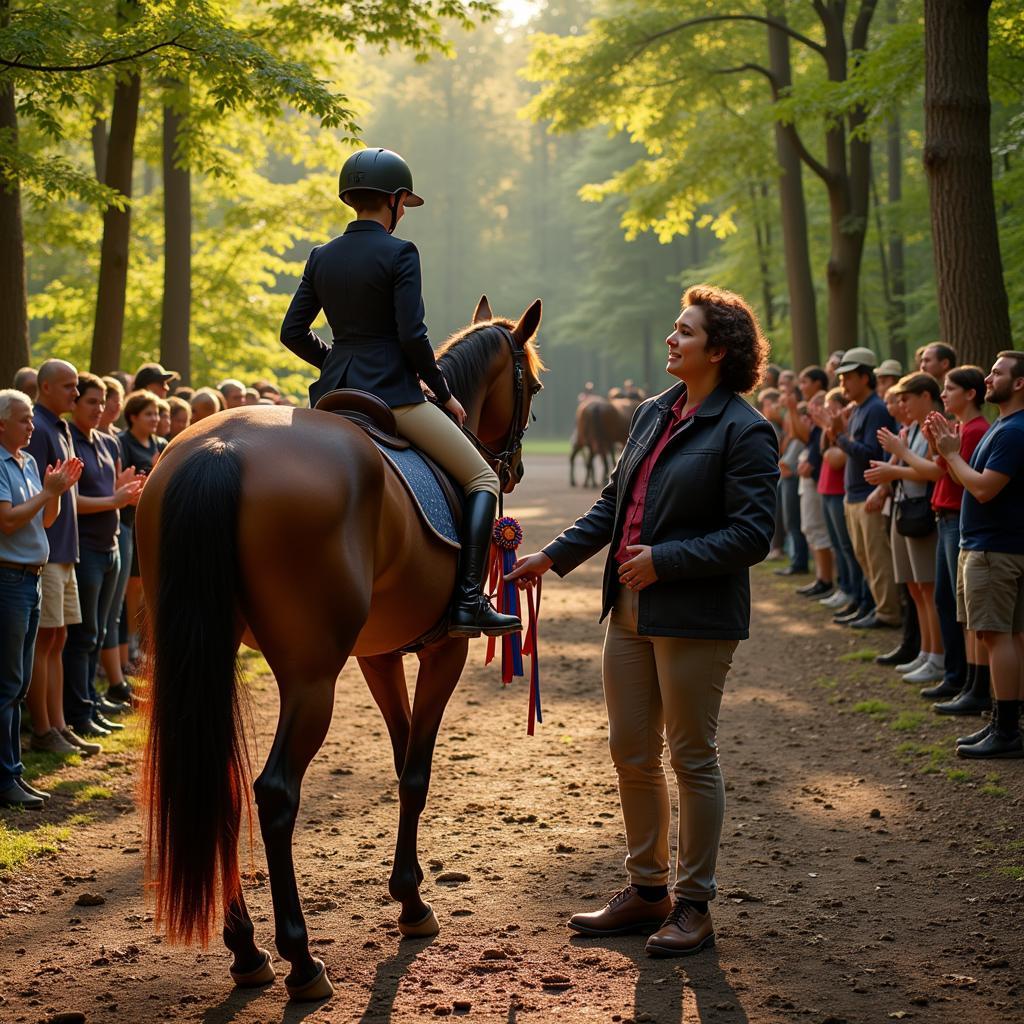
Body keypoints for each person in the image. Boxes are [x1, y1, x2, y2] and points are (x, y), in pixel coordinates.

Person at [507, 285, 779, 957]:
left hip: (694, 616)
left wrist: (667, 560)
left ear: (717, 350)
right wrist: (552, 555)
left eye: (683, 331)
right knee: (631, 751)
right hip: (626, 613)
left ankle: (694, 905)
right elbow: (613, 502)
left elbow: (752, 535)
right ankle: (647, 890)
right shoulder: (656, 412)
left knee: (690, 756)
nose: (670, 339)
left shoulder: (746, 430)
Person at [280, 146, 519, 637]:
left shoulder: (321, 256)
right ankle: (469, 603)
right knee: (483, 481)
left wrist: (339, 363)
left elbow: (292, 332)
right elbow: (412, 337)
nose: (403, 214)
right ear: (392, 200)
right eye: (405, 205)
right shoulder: (400, 253)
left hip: (333, 396)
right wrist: (446, 393)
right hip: (393, 394)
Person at [927, 352, 1024, 759]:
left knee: (995, 635)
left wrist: (951, 454)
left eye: (998, 373)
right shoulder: (1004, 426)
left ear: (1018, 383)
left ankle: (1005, 730)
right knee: (1009, 636)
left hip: (994, 548)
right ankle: (1007, 725)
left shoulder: (1013, 431)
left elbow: (983, 488)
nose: (989, 377)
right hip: (993, 545)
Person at [0, 389, 81, 808]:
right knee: (9, 683)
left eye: (32, 419)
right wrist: (48, 492)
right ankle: (6, 777)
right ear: (2, 424)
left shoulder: (28, 461)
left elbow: (45, 519)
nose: (32, 427)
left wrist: (57, 489)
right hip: (9, 579)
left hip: (30, 579)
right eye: (24, 420)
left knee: (19, 682)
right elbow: (10, 520)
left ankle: (12, 772)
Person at [24, 360, 99, 756]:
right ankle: (42, 729)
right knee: (44, 639)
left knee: (59, 636)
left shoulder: (61, 426)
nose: (75, 392)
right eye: (68, 386)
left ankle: (59, 723)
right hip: (47, 550)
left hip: (66, 549)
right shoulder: (37, 427)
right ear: (47, 387)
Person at [64, 374, 144, 739]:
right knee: (83, 635)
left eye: (101, 402)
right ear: (76, 404)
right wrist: (113, 500)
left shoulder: (109, 442)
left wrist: (122, 493)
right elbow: (70, 500)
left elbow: (111, 494)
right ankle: (78, 712)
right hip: (85, 548)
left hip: (111, 543)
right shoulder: (70, 441)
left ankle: (90, 704)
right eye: (91, 402)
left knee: (99, 629)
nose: (98, 409)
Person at [864, 373, 945, 683]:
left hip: (922, 512)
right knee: (915, 587)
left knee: (928, 587)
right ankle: (926, 651)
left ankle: (937, 655)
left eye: (905, 399)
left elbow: (931, 471)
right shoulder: (913, 428)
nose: (900, 405)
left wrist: (892, 467)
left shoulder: (932, 427)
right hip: (904, 508)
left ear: (925, 396)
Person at [824, 348, 901, 629]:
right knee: (864, 559)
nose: (842, 383)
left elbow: (870, 453)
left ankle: (888, 613)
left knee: (877, 560)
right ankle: (874, 607)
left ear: (864, 377)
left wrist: (839, 436)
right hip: (854, 494)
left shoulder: (876, 409)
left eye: (847, 377)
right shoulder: (859, 409)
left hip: (868, 494)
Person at [928, 367, 990, 712]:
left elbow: (961, 481)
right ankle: (961, 679)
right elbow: (952, 472)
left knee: (960, 609)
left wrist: (945, 451)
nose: (944, 394)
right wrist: (941, 447)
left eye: (950, 388)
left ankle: (968, 681)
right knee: (948, 602)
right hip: (949, 519)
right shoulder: (961, 429)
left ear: (970, 393)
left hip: (957, 519)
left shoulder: (977, 429)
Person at [119, 390, 168, 663]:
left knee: (151, 586)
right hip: (131, 522)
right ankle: (130, 644)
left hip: (157, 523)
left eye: (157, 413)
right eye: (149, 413)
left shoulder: (161, 443)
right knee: (133, 587)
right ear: (133, 416)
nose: (155, 418)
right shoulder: (123, 444)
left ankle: (149, 645)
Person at [812, 388, 863, 613]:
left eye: (833, 408)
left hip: (839, 490)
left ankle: (853, 591)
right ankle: (844, 587)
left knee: (846, 546)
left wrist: (828, 427)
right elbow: (824, 451)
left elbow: (835, 459)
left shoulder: (845, 431)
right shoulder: (833, 431)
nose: (828, 412)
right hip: (826, 489)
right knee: (837, 544)